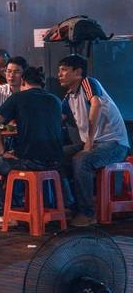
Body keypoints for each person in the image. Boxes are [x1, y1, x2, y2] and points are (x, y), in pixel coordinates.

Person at [0, 67, 63, 228]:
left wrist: (2, 152)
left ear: (23, 82)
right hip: (55, 160)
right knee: (15, 162)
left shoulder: (18, 98)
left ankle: (4, 214)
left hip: (29, 160)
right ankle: (43, 209)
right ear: (42, 83)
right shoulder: (55, 100)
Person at [58, 54, 130, 227]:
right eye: (59, 70)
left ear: (78, 72)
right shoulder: (69, 96)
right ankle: (71, 205)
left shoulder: (88, 83)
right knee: (55, 156)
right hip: (94, 144)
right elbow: (58, 117)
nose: (59, 74)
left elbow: (96, 104)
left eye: (64, 70)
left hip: (114, 144)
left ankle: (88, 214)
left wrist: (89, 141)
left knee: (81, 160)